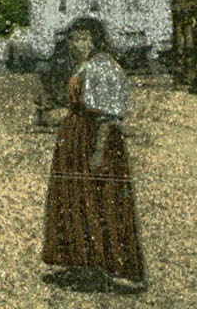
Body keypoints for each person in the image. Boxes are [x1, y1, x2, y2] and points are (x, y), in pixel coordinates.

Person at [41, 16, 145, 293]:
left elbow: (109, 117)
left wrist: (99, 150)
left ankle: (109, 264)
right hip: (75, 140)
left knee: (99, 197)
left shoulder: (104, 68)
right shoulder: (86, 66)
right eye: (74, 39)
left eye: (85, 38)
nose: (79, 44)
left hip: (94, 140)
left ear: (97, 40)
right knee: (75, 196)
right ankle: (80, 261)